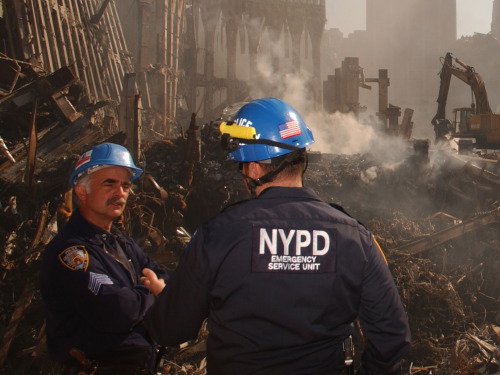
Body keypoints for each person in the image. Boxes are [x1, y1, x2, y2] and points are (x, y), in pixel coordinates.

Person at [142, 98, 411, 375]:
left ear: (254, 168)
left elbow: (170, 330)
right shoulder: (354, 238)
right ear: (301, 159)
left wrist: (165, 299)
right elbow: (391, 336)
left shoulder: (217, 235)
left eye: (242, 166)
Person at [40, 142, 168, 374]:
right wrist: (153, 291)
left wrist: (150, 289)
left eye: (126, 186)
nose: (120, 193)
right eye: (109, 183)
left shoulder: (119, 241)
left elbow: (161, 275)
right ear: (81, 191)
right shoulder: (71, 253)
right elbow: (121, 311)